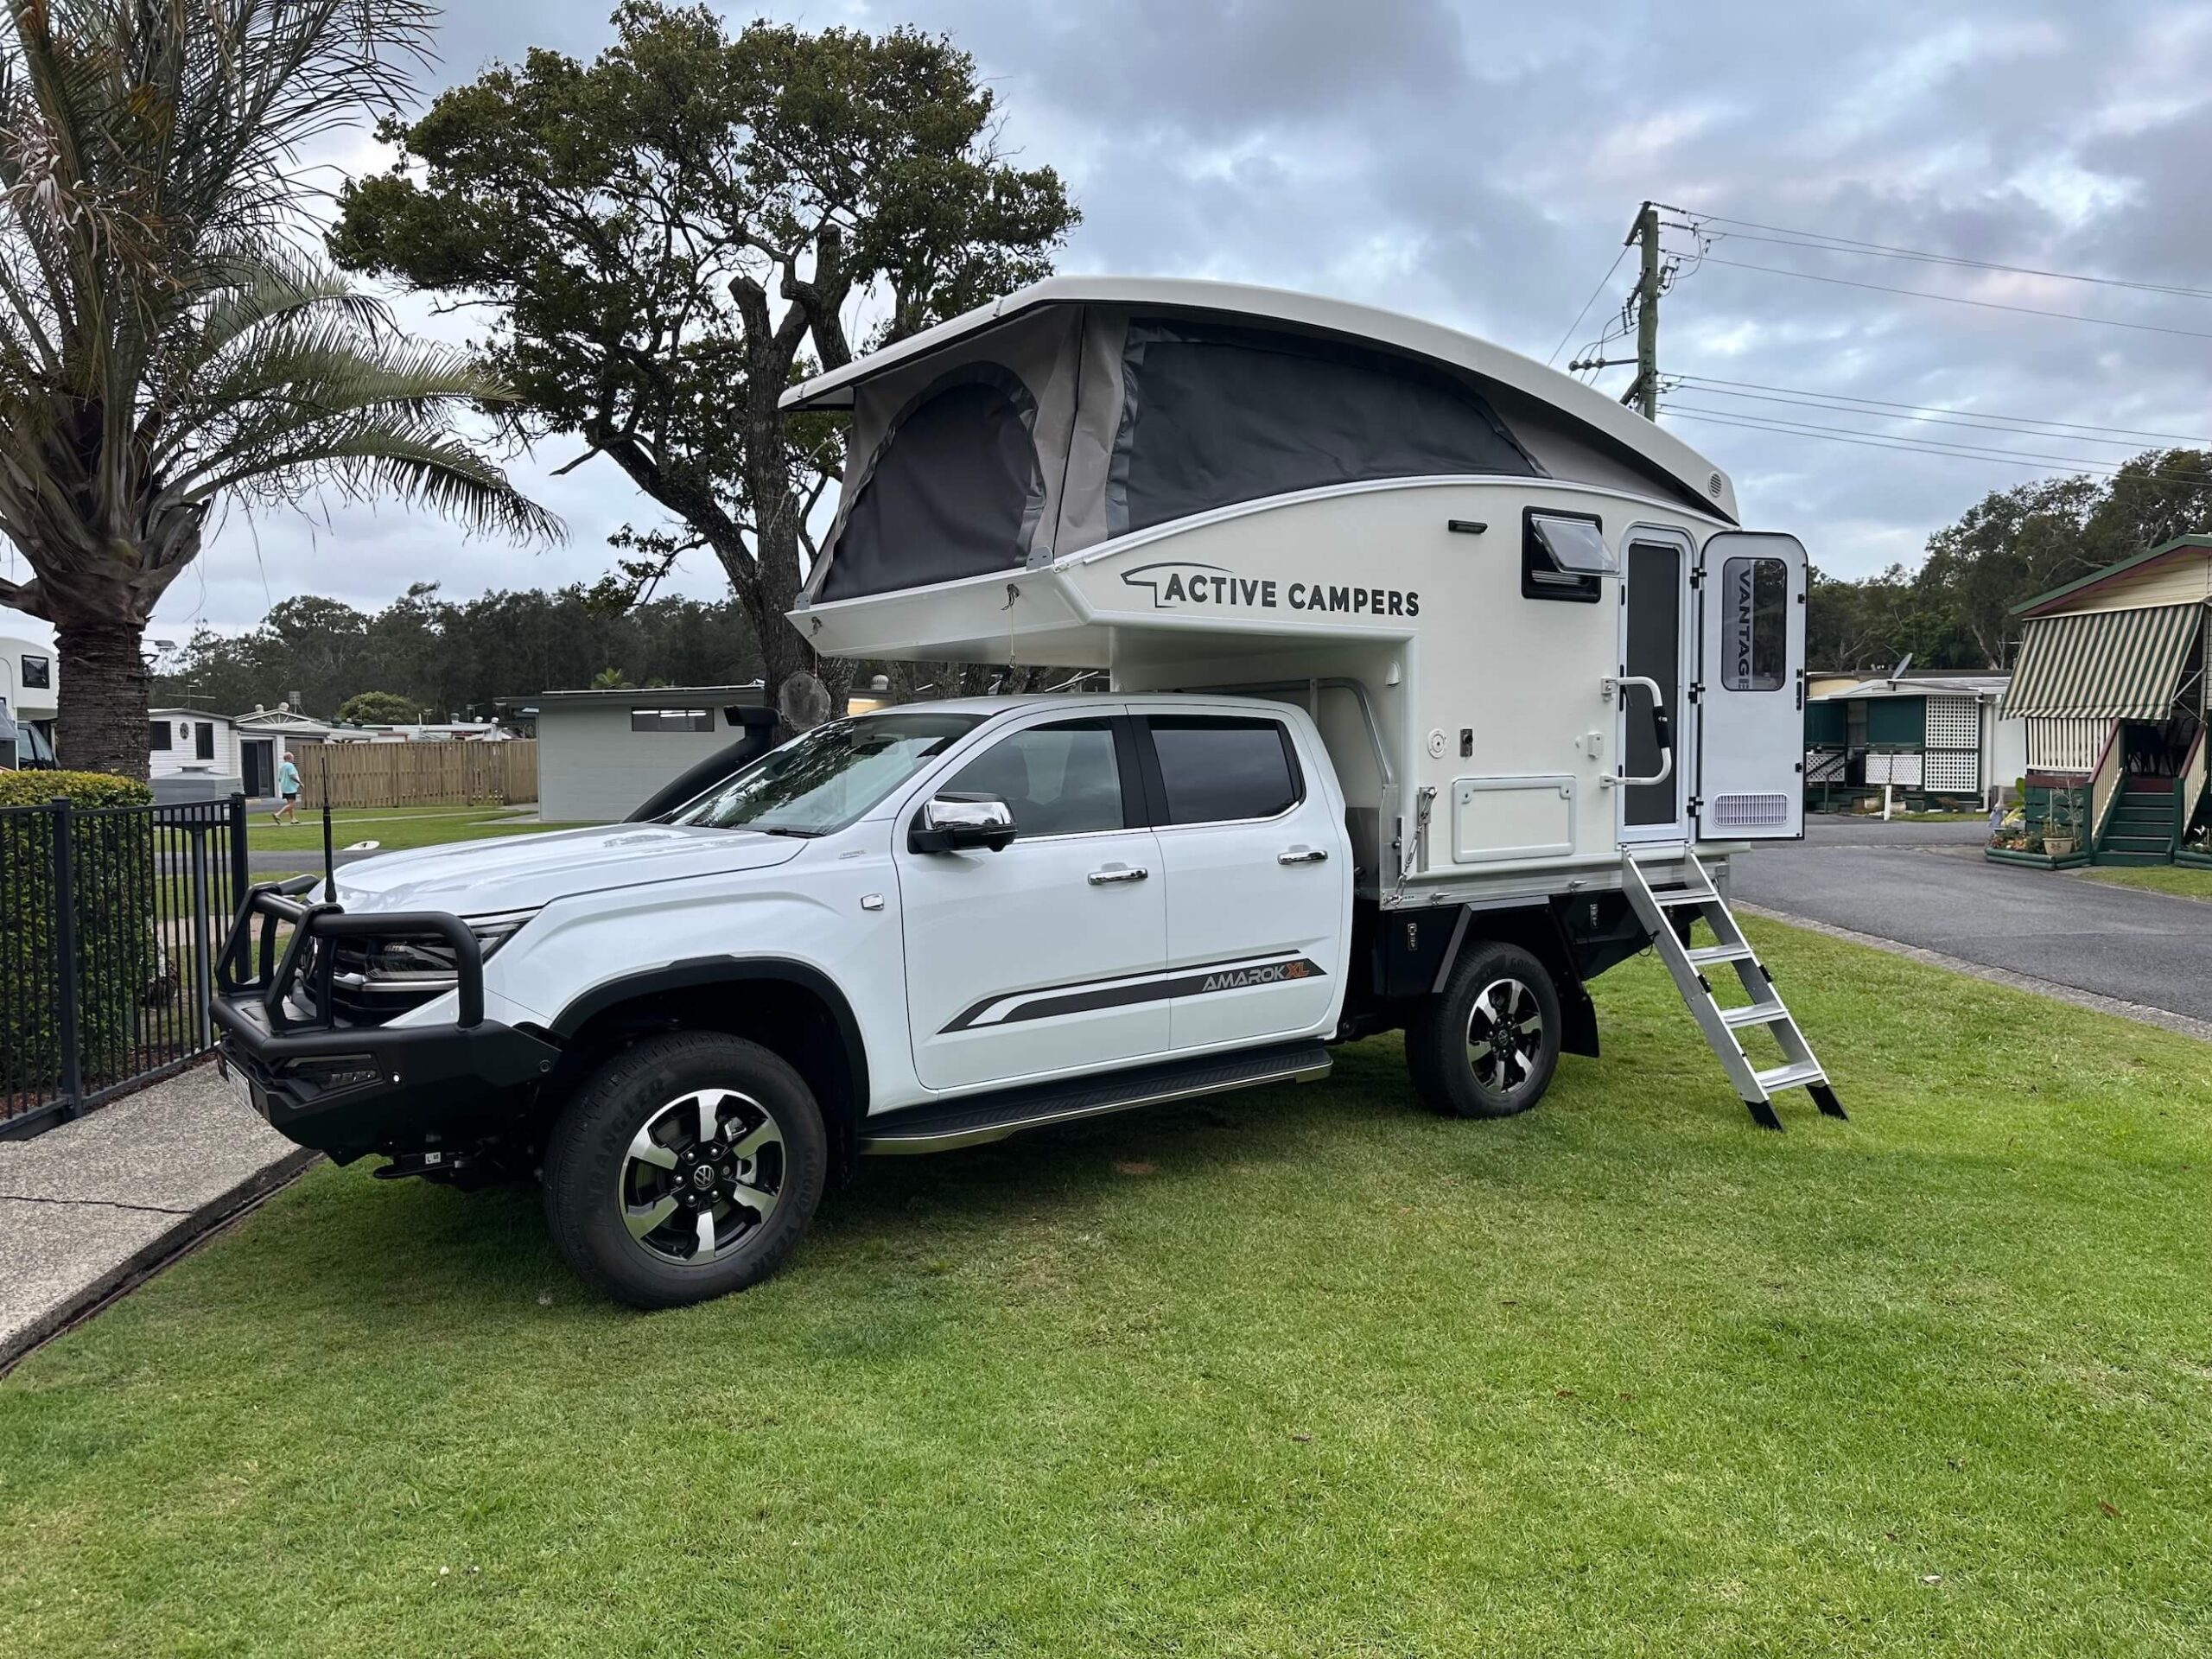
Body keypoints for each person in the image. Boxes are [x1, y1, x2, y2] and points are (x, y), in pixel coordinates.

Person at [273, 751, 302, 824]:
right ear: (289, 758)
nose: (293, 759)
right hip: (290, 788)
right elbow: (292, 775)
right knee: (292, 804)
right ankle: (278, 814)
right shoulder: (290, 766)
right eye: (292, 758)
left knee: (289, 803)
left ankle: (293, 819)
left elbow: (279, 778)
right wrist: (300, 783)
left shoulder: (282, 767)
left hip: (284, 787)